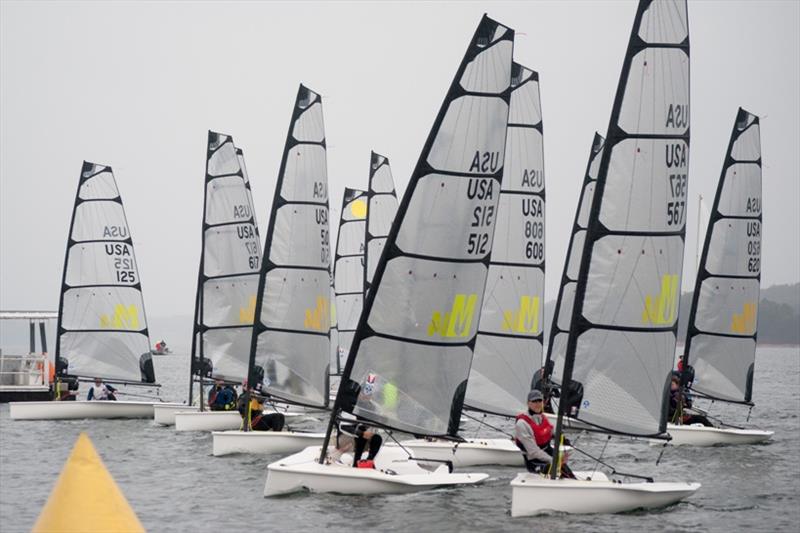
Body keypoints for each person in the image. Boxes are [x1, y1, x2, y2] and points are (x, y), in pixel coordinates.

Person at [515, 389, 575, 478]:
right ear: (528, 403)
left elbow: (551, 432)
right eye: (534, 401)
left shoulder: (543, 417)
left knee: (568, 474)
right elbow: (533, 451)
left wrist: (562, 439)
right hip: (534, 460)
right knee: (557, 469)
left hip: (549, 452)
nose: (537, 404)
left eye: (540, 401)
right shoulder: (522, 424)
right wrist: (552, 460)